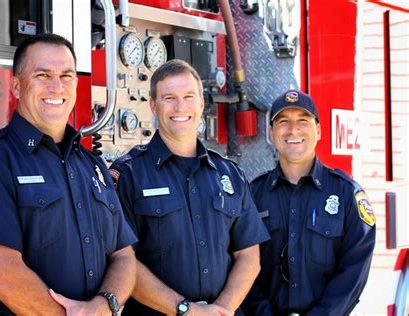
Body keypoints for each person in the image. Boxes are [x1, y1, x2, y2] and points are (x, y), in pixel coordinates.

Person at [0, 33, 137, 315]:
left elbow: (124, 256)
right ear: (17, 87)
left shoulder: (92, 165)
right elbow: (2, 277)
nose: (57, 87)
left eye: (66, 76)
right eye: (43, 75)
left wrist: (104, 305)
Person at [108, 59, 270, 316]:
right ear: (153, 105)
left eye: (189, 96)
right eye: (169, 97)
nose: (180, 106)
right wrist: (186, 310)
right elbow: (123, 260)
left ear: (202, 104)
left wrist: (221, 310)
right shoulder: (128, 174)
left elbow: (249, 256)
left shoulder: (229, 173)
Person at [242, 90, 376, 315]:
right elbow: (240, 265)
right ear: (271, 132)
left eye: (303, 121)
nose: (293, 129)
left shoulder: (346, 194)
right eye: (283, 121)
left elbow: (353, 271)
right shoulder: (253, 195)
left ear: (319, 130)